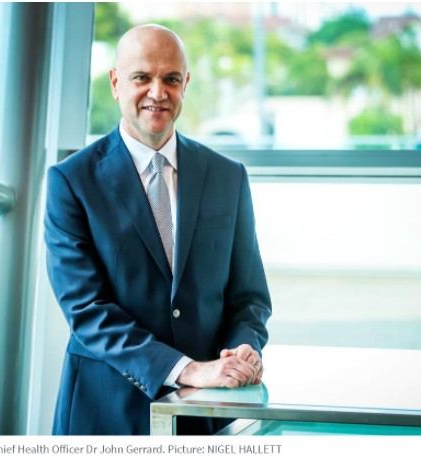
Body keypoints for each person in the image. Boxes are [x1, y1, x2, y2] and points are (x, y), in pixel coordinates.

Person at [44, 24, 272, 435]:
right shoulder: (72, 181)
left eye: (170, 79)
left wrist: (243, 349)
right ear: (116, 83)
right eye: (141, 77)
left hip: (207, 412)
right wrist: (187, 369)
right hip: (105, 410)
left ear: (186, 84)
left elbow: (249, 297)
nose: (157, 92)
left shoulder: (228, 177)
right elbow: (87, 310)